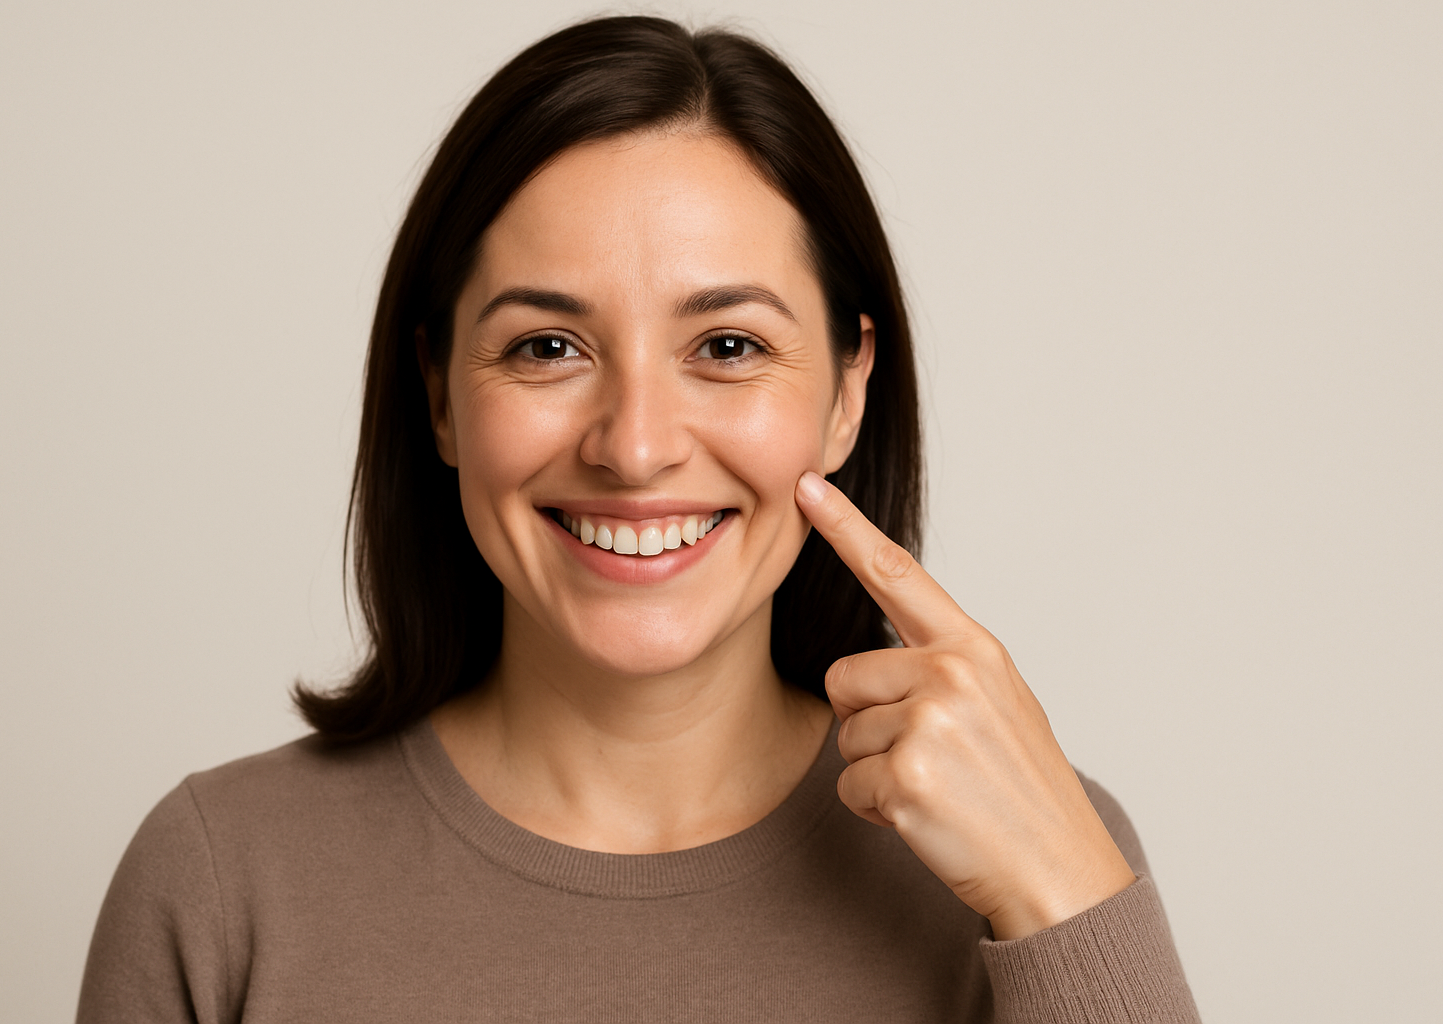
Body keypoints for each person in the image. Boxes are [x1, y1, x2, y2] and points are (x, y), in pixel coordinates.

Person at [77, 16, 1199, 1023]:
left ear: (847, 393)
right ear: (439, 394)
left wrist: (1067, 898)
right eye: (547, 346)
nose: (636, 445)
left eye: (728, 346)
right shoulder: (222, 884)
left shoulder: (1031, 852)